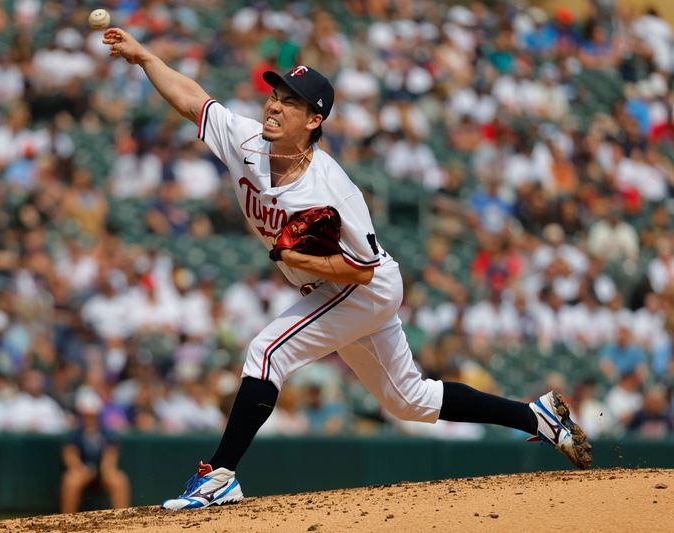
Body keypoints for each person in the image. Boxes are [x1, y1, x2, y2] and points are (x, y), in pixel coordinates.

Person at [102, 28, 592, 511]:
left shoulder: (330, 187)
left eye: (290, 102)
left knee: (266, 351)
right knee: (409, 401)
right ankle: (537, 417)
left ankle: (220, 475)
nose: (274, 106)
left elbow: (359, 270)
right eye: (274, 95)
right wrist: (146, 58)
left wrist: (298, 258)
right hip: (336, 287)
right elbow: (194, 101)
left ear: (314, 119)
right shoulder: (247, 142)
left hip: (365, 286)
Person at [60, 391, 130, 513]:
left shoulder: (107, 434)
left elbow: (110, 456)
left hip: (103, 473)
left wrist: (104, 470)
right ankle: (66, 520)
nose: (90, 418)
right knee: (71, 480)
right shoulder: (75, 435)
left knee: (119, 479)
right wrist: (81, 469)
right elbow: (70, 456)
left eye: (92, 415)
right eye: (86, 415)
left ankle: (123, 519)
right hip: (81, 472)